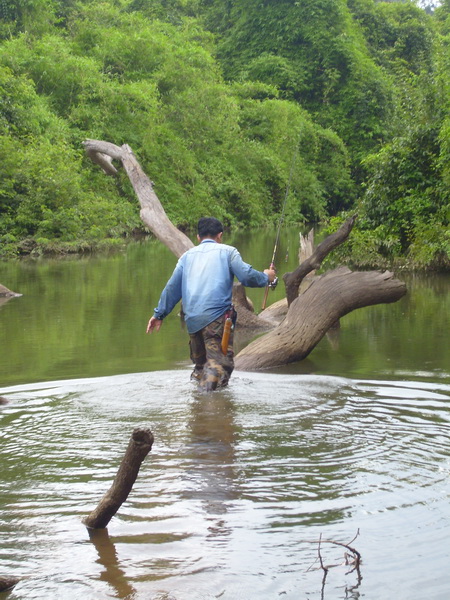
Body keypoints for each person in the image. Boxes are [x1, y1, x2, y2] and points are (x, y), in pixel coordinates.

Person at [146, 217, 276, 391]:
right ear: (220, 235)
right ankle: (209, 409)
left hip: (192, 321)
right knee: (219, 365)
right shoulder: (228, 252)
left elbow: (172, 288)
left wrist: (159, 314)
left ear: (198, 237)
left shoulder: (186, 257)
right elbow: (247, 277)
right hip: (216, 319)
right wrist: (267, 277)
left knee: (201, 366)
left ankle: (197, 406)